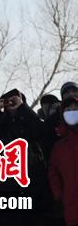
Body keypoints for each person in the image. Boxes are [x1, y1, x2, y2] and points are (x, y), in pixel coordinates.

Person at [0, 88, 47, 226]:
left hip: (30, 191)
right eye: (7, 101)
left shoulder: (29, 122)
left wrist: (23, 108)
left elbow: (42, 132)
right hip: (3, 192)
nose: (11, 104)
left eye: (15, 100)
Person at [48, 96, 78, 226]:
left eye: (75, 109)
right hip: (72, 207)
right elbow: (53, 172)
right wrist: (59, 194)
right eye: (68, 110)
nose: (72, 112)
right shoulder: (59, 146)